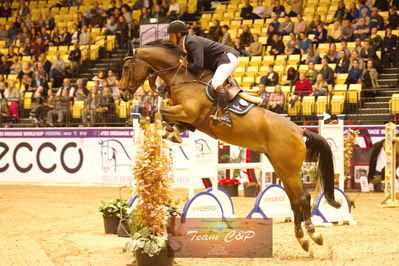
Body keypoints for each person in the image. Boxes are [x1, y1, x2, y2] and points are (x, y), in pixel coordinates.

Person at [167, 20, 240, 126]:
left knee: (216, 83)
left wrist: (186, 65)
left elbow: (198, 65)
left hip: (228, 57)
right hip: (218, 61)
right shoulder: (186, 44)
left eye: (171, 36)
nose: (169, 39)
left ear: (178, 34)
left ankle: (226, 116)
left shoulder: (191, 42)